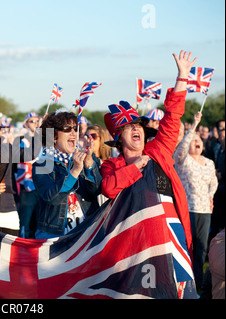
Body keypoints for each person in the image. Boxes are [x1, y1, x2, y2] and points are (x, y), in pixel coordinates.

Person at [101, 50, 198, 298]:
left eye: (138, 126)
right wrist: (135, 167)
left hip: (172, 237)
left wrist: (182, 77)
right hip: (138, 244)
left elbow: (173, 117)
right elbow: (109, 188)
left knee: (183, 294)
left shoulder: (159, 151)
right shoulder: (111, 166)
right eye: (129, 128)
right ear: (118, 139)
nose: (136, 130)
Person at [32, 110, 102, 239]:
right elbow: (52, 198)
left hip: (86, 232)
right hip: (53, 235)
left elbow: (97, 191)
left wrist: (89, 167)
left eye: (75, 128)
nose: (73, 132)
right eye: (67, 128)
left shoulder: (85, 157)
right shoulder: (41, 165)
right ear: (53, 136)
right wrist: (75, 171)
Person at [174, 111, 218, 288]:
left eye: (199, 139)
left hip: (204, 210)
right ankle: (186, 280)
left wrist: (210, 196)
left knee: (202, 247)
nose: (197, 141)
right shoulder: (183, 161)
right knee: (188, 246)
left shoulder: (209, 163)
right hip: (188, 209)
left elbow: (213, 182)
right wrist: (193, 127)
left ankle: (198, 281)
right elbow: (182, 148)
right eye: (193, 140)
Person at [13, 112, 42, 238]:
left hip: (41, 186)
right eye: (32, 121)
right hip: (27, 185)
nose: (35, 123)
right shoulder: (20, 140)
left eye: (37, 121)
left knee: (38, 222)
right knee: (25, 222)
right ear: (25, 124)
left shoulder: (44, 140)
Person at [84, 124, 113, 206]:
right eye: (86, 136)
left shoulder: (111, 162)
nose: (89, 139)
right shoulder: (83, 163)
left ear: (102, 139)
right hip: (93, 208)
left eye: (93, 136)